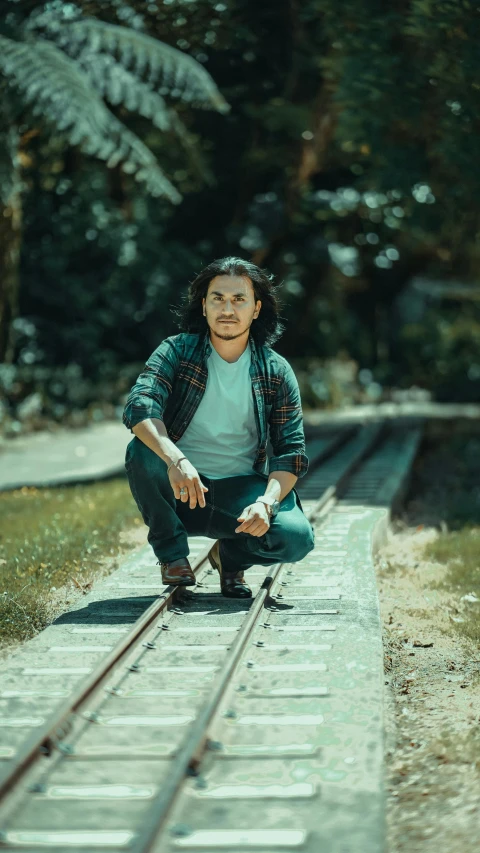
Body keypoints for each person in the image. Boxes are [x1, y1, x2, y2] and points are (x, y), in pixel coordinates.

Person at [122, 257, 315, 598]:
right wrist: (176, 460)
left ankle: (229, 556)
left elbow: (290, 454)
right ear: (204, 306)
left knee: (297, 538)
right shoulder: (176, 351)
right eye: (218, 298)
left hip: (238, 497)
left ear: (256, 309)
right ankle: (172, 555)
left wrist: (266, 504)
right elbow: (141, 406)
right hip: (181, 489)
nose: (228, 308)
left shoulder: (276, 371)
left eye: (238, 299)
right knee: (142, 449)